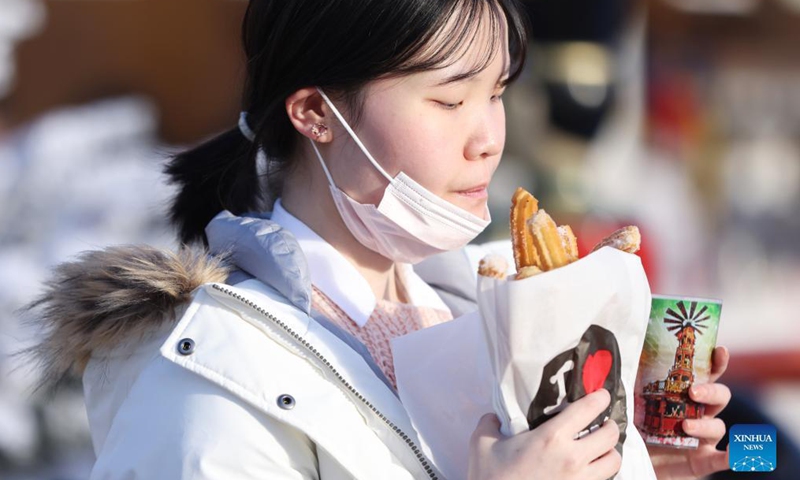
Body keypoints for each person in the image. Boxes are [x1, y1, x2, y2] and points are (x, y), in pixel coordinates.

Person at [26, 1, 731, 478]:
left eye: (497, 93)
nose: (487, 140)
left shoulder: (489, 315)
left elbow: (771, 453)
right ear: (315, 114)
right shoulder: (205, 379)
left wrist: (651, 458)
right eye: (450, 100)